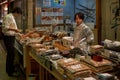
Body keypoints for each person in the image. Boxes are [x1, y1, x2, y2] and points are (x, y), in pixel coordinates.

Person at [2, 7, 22, 77]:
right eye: (19, 14)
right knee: (10, 55)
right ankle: (10, 72)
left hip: (11, 37)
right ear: (16, 12)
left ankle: (12, 69)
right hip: (8, 38)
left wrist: (17, 33)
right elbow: (5, 27)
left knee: (12, 54)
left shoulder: (12, 17)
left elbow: (12, 27)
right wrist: (16, 30)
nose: (18, 16)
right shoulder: (8, 17)